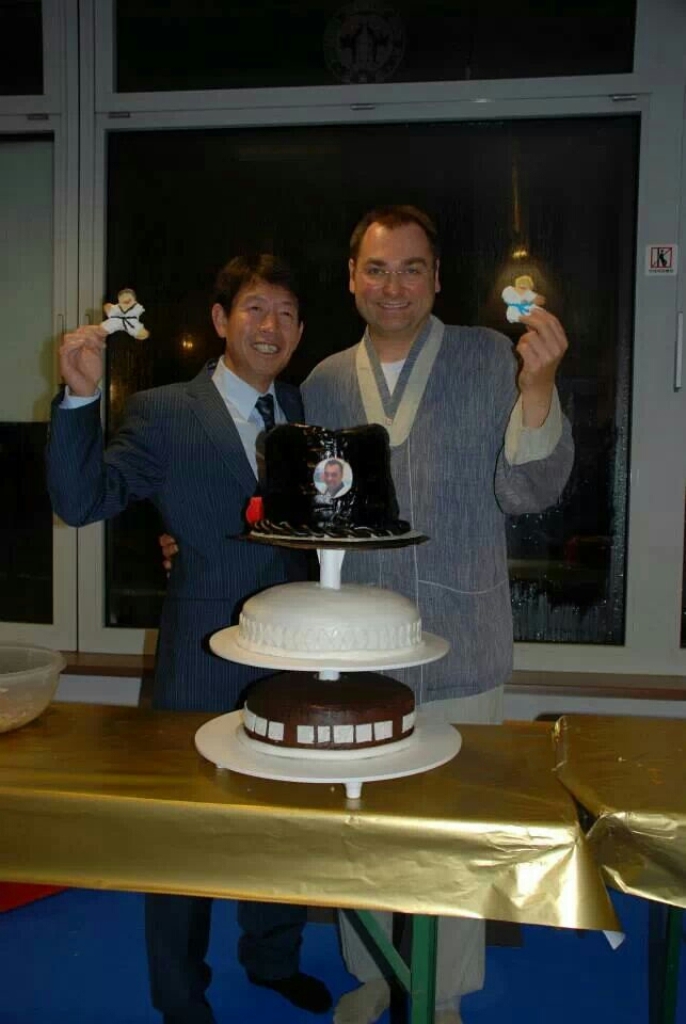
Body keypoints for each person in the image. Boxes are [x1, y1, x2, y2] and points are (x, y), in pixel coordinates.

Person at [300, 205, 574, 1024]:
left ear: (438, 279)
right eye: (378, 269)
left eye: (412, 268)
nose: (395, 286)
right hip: (355, 646)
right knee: (360, 823)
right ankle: (372, 973)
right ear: (353, 279)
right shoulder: (322, 382)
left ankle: (442, 992)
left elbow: (529, 490)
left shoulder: (492, 360)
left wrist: (539, 388)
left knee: (455, 828)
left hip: (464, 636)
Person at [46, 254, 332, 1024]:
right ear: (220, 320)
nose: (270, 326)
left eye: (285, 313)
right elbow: (82, 501)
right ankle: (181, 997)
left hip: (295, 657)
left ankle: (273, 959)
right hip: (200, 657)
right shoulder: (165, 412)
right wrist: (80, 398)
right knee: (184, 833)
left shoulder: (306, 410)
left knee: (282, 822)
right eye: (254, 309)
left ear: (300, 330)